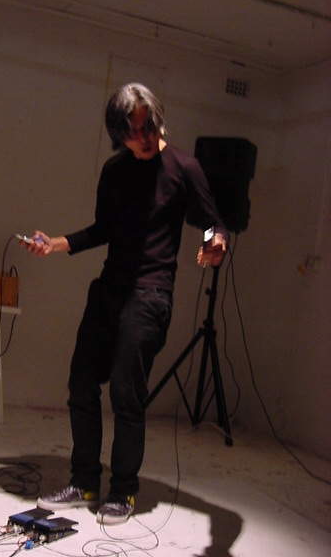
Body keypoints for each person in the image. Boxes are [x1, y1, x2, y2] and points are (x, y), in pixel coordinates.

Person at [20, 83, 227, 525]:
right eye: (134, 131)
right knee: (81, 384)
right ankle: (84, 482)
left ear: (158, 120)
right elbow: (103, 230)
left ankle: (123, 491)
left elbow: (213, 223)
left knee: (125, 392)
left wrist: (215, 244)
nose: (145, 137)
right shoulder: (114, 170)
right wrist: (54, 243)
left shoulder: (183, 167)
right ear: (118, 133)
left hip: (151, 294)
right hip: (110, 289)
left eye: (149, 127)